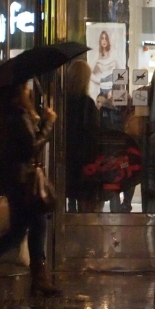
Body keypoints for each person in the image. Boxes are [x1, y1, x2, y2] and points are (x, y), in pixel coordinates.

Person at [0, 79, 60, 296]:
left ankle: (37, 276)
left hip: (13, 178)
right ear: (18, 92)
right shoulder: (19, 115)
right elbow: (31, 148)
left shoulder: (4, 114)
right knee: (28, 227)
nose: (29, 91)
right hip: (23, 180)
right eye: (26, 88)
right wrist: (48, 123)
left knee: (27, 227)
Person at [64, 59, 101, 212]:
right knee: (83, 196)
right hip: (83, 157)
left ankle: (69, 214)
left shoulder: (62, 102)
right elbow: (93, 132)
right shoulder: (87, 104)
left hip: (67, 154)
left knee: (69, 193)